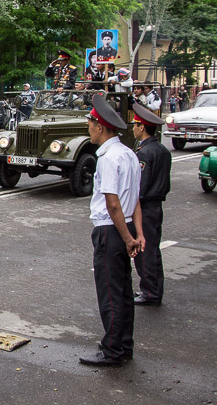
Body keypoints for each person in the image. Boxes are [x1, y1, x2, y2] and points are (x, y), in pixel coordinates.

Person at [80, 93, 144, 367]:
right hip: (126, 226)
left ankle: (113, 350)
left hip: (111, 230)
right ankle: (123, 345)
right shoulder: (129, 153)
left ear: (101, 127)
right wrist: (137, 233)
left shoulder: (107, 158)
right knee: (124, 292)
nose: (89, 129)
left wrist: (128, 237)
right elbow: (136, 200)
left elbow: (113, 203)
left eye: (91, 125)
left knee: (110, 293)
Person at [132, 103, 172, 307]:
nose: (133, 128)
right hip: (156, 206)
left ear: (141, 127)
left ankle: (150, 292)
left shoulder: (144, 153)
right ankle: (153, 289)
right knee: (153, 250)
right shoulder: (162, 150)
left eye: (135, 125)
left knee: (145, 251)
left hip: (146, 208)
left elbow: (141, 185)